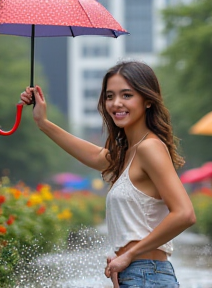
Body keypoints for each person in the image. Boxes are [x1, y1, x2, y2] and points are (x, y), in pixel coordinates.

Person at [20, 60, 196, 288]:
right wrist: (42, 122)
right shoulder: (128, 153)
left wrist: (129, 255)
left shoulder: (149, 148)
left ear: (148, 101)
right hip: (134, 275)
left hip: (146, 276)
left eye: (126, 95)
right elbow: (95, 156)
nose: (116, 103)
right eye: (110, 96)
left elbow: (184, 214)